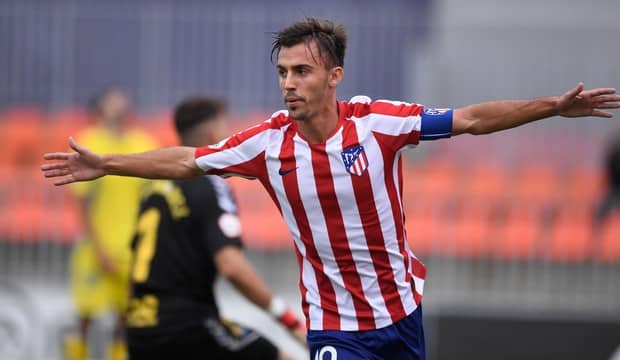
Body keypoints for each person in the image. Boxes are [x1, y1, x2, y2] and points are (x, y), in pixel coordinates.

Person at [42, 18, 619, 360]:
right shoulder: (267, 144)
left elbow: (469, 119)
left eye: (302, 71)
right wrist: (111, 163)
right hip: (336, 326)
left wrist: (552, 107)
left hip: (401, 311)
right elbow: (190, 160)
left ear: (333, 76)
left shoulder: (379, 122)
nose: (289, 84)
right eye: (282, 72)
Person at [125, 96, 304, 360]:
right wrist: (287, 319)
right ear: (212, 134)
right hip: (187, 326)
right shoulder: (210, 183)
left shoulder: (152, 187)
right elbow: (231, 265)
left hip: (139, 328)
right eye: (226, 128)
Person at [63, 88, 157, 360]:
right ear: (100, 108)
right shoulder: (89, 142)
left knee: (126, 316)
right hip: (96, 249)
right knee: (86, 314)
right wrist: (98, 248)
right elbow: (83, 204)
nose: (119, 105)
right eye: (112, 101)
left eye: (122, 100)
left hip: (131, 247)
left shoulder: (143, 142)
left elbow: (151, 198)